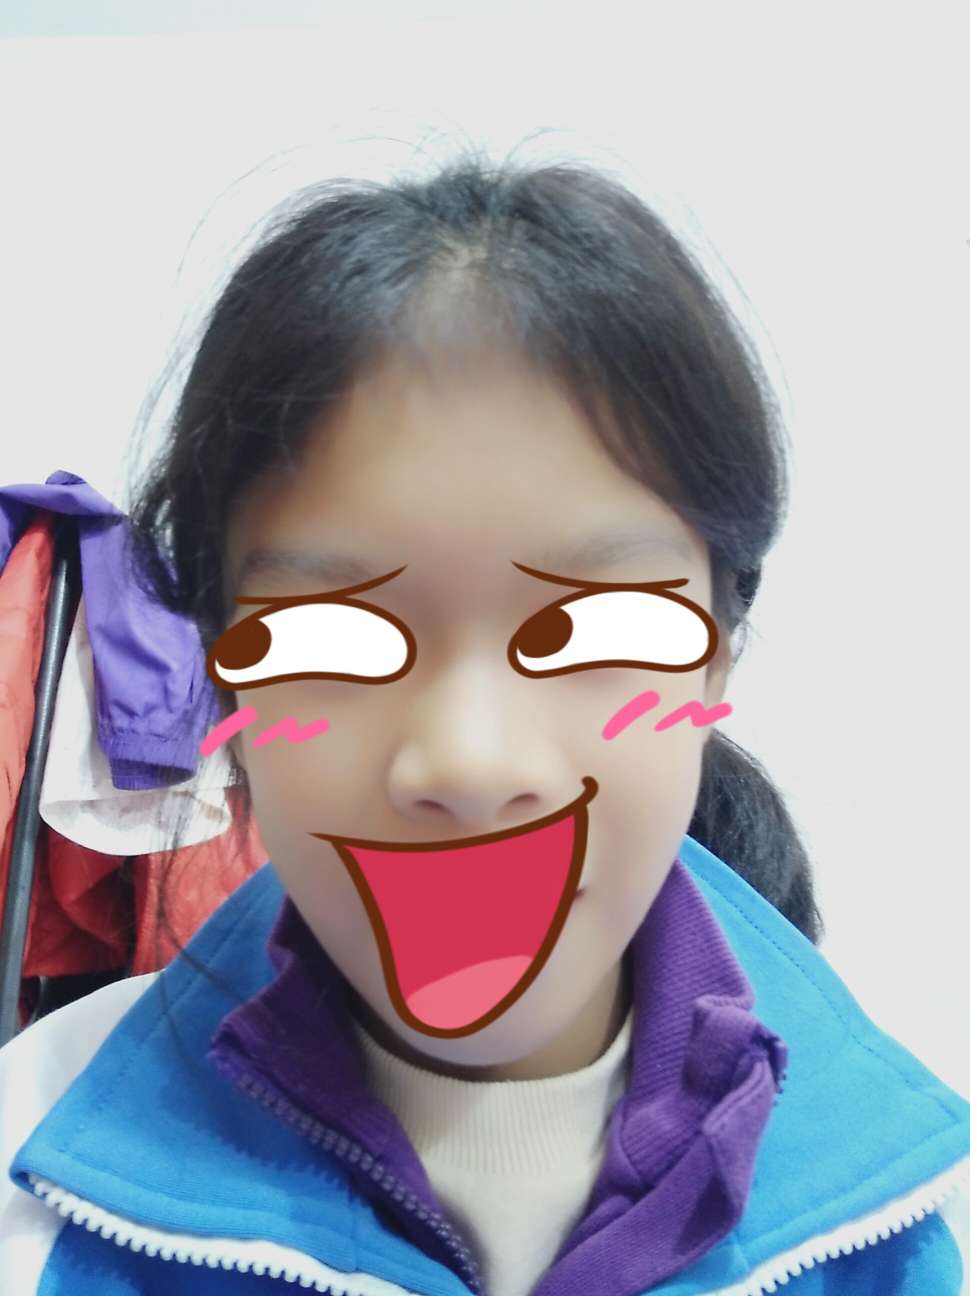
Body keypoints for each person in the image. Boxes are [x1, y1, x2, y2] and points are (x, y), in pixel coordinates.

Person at [2, 143, 968, 1296]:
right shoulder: (31, 1174)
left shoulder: (924, 1199)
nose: (467, 762)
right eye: (334, 640)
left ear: (716, 654)